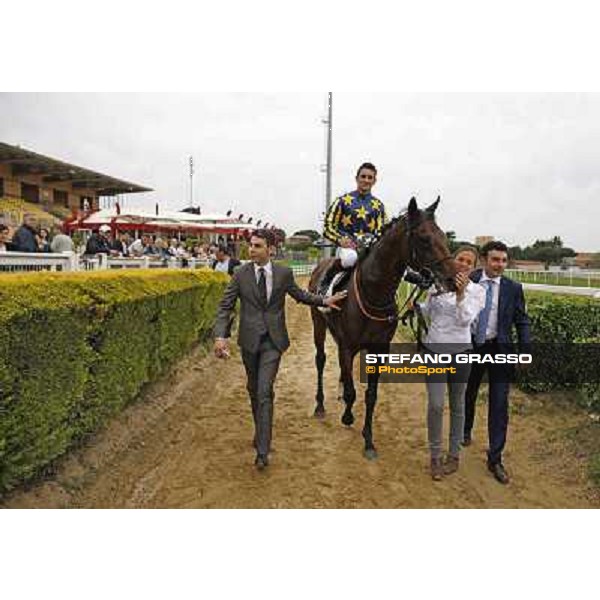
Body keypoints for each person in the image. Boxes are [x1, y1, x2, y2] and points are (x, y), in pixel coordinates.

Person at [213, 229, 348, 470]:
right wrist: (221, 336)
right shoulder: (240, 274)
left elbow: (300, 295)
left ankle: (262, 451)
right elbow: (225, 306)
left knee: (265, 391)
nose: (251, 250)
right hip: (249, 341)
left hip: (273, 342)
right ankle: (260, 431)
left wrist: (324, 301)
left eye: (257, 246)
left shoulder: (283, 273)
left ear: (270, 249)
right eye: (251, 246)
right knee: (253, 389)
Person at [463, 241, 531, 485]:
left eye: (503, 260)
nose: (500, 265)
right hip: (471, 346)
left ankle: (495, 458)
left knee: (499, 403)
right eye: (495, 260)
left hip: (500, 348)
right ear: (483, 260)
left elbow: (522, 321)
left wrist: (525, 349)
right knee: (467, 393)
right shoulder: (468, 279)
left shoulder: (514, 288)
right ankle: (465, 429)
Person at [417, 246, 486, 481]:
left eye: (469, 261)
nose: (464, 264)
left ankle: (454, 454)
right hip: (434, 350)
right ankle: (435, 455)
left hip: (461, 351)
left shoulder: (477, 292)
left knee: (458, 405)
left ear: (474, 266)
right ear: (453, 260)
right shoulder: (438, 285)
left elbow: (465, 319)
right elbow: (429, 312)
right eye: (460, 259)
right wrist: (417, 307)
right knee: (436, 405)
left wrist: (460, 294)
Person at [318, 162, 387, 295]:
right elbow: (327, 226)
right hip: (347, 248)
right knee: (350, 259)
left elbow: (381, 231)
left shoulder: (379, 206)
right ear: (357, 178)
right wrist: (339, 240)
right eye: (363, 176)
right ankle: (326, 282)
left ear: (374, 181)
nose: (366, 180)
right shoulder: (342, 201)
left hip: (369, 249)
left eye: (370, 177)